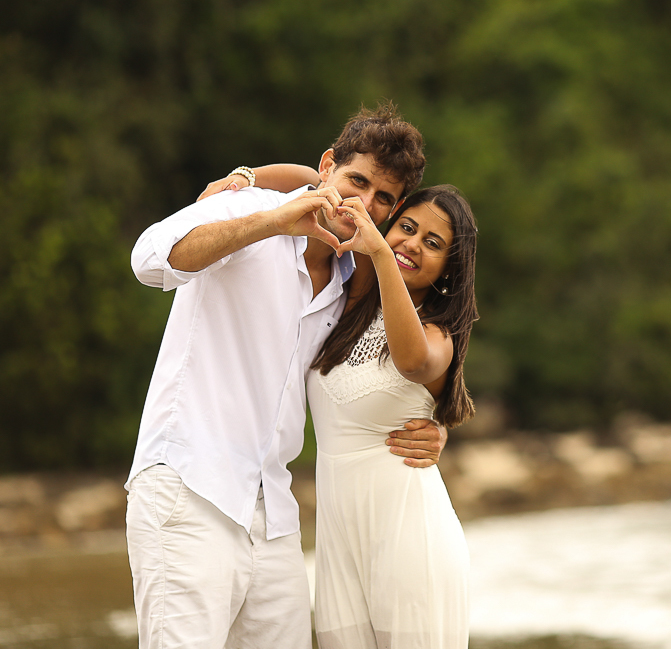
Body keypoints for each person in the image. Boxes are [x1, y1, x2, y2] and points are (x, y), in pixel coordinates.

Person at [126, 104, 447, 649]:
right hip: (188, 486)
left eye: (382, 199)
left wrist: (431, 426)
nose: (362, 203)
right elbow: (149, 260)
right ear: (327, 168)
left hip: (273, 514)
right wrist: (271, 217)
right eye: (356, 182)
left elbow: (391, 370)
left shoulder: (356, 278)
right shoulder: (250, 208)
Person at [308, 184, 478, 648]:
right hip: (340, 542)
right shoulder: (353, 297)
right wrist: (244, 178)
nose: (412, 244)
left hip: (410, 542)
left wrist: (383, 253)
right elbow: (321, 181)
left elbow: (411, 362)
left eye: (433, 243)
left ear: (449, 270)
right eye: (407, 228)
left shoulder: (438, 336)